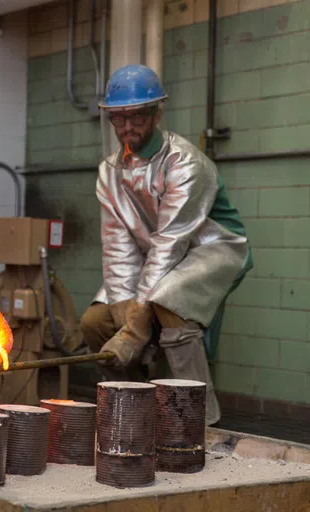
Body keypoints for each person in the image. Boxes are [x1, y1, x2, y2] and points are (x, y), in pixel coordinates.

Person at [81, 64, 253, 426]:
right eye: (118, 118)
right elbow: (117, 247)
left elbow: (171, 243)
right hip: (155, 254)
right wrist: (123, 315)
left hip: (211, 247)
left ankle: (196, 420)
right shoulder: (109, 171)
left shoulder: (185, 162)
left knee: (168, 302)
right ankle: (130, 412)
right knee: (95, 321)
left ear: (157, 113)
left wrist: (135, 329)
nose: (127, 127)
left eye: (137, 116)